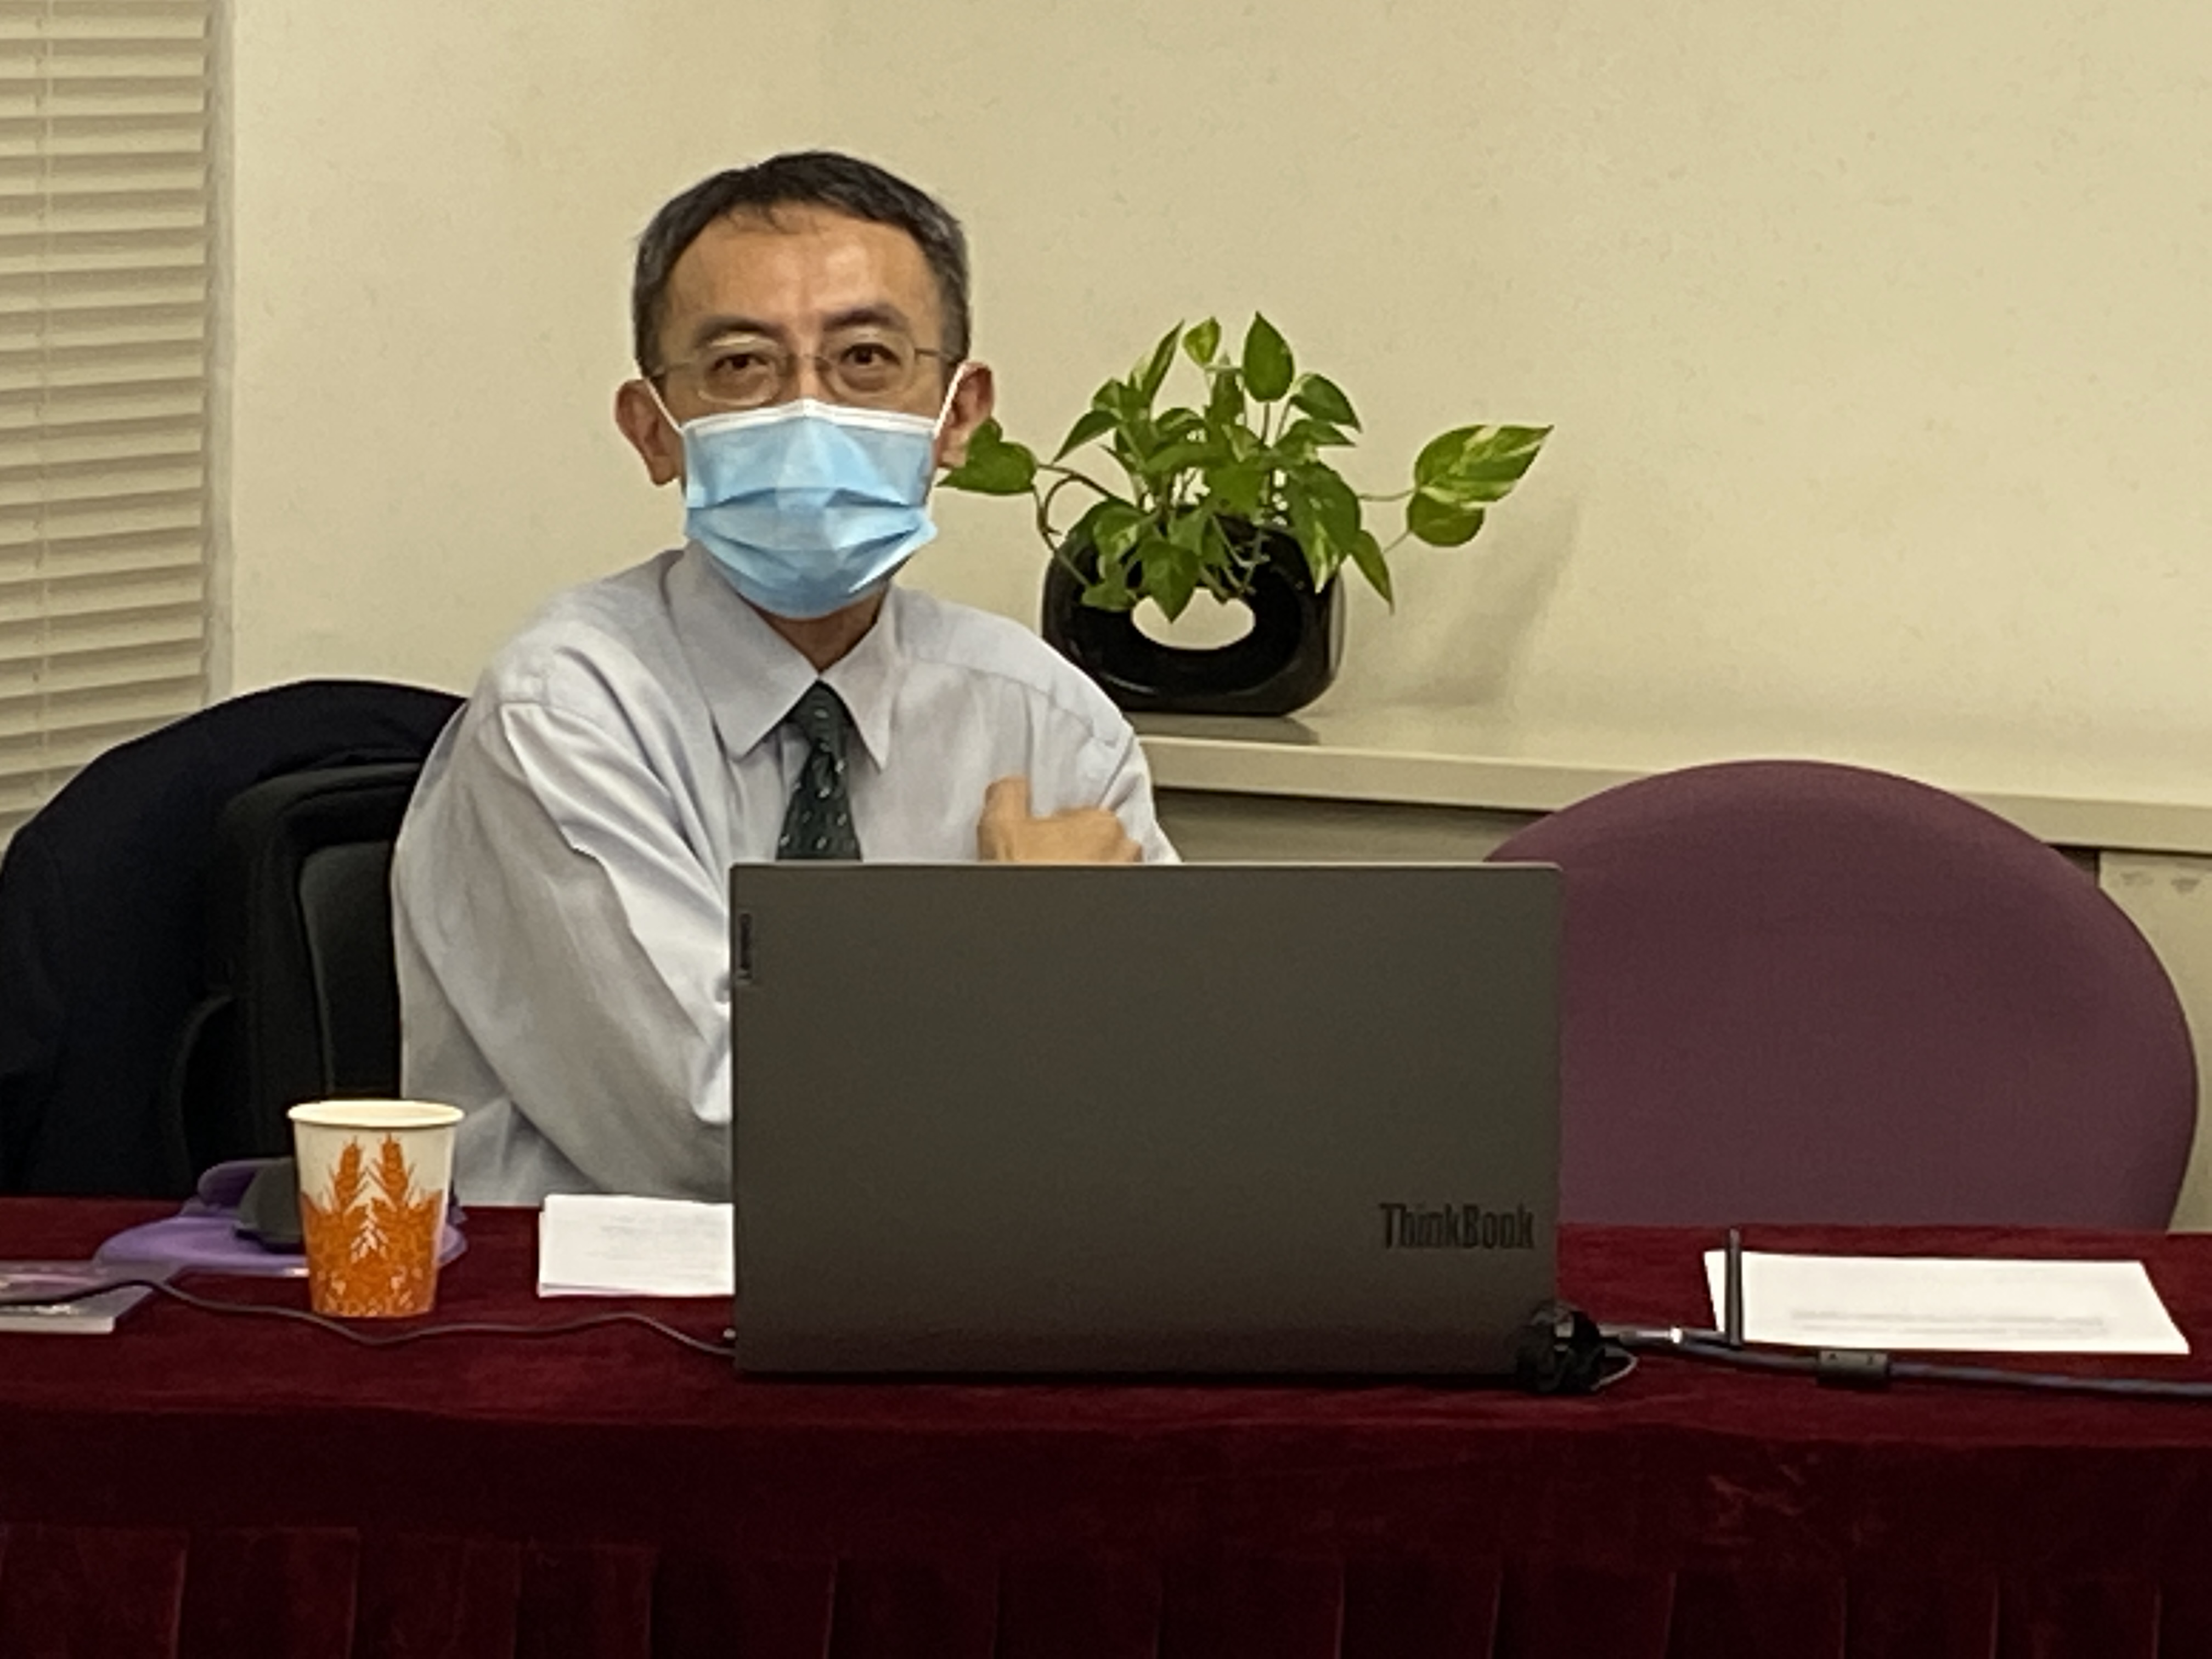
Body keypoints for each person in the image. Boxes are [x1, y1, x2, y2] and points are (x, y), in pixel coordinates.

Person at [391, 152, 1176, 1206]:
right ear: (653, 431)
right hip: (608, 1295)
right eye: (741, 367)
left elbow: (1169, 1088)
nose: (808, 412)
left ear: (958, 416)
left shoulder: (1047, 722)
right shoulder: (566, 710)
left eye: (865, 359)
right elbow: (714, 1130)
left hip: (976, 1273)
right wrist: (1023, 956)